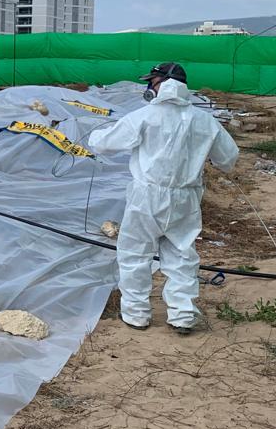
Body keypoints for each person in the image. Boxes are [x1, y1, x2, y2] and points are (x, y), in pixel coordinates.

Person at [88, 62, 239, 335]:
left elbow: (104, 143)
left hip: (146, 196)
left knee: (135, 254)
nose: (149, 87)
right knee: (181, 255)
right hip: (186, 197)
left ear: (161, 83)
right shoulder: (204, 120)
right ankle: (182, 315)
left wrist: (94, 134)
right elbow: (229, 159)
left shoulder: (145, 116)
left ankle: (136, 315)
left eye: (151, 81)